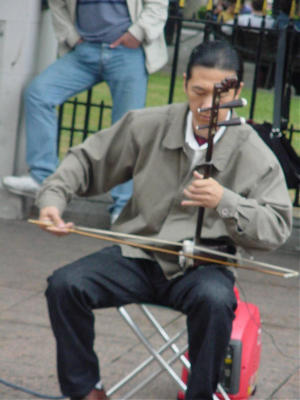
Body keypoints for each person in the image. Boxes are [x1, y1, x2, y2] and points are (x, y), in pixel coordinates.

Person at [36, 40, 292, 400]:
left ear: (236, 91)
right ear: (185, 82)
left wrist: (226, 201)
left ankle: (200, 395)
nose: (206, 106)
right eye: (198, 91)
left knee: (216, 302)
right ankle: (86, 390)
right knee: (65, 285)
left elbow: (277, 225)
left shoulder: (252, 152)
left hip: (204, 265)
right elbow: (86, 161)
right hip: (139, 255)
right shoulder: (150, 125)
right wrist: (52, 199)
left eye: (217, 95)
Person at [2, 0, 168, 222]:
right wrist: (72, 37)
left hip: (127, 52)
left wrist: (136, 33)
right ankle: (42, 177)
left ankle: (122, 206)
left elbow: (158, 4)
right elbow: (57, 4)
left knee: (130, 125)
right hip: (84, 51)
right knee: (38, 93)